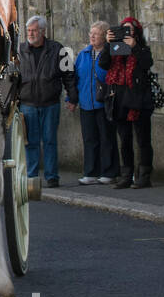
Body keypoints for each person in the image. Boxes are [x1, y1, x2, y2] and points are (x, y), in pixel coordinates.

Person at [17, 15, 76, 187]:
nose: (31, 34)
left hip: (50, 103)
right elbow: (13, 78)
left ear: (43, 31)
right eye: (28, 30)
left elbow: (69, 74)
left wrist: (72, 97)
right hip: (28, 104)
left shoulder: (58, 49)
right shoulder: (19, 50)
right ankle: (32, 176)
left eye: (34, 30)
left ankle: (52, 176)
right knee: (31, 142)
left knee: (50, 140)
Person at [99, 16, 155, 189]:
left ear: (136, 32)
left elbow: (147, 64)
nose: (127, 32)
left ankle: (144, 176)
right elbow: (103, 63)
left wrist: (134, 47)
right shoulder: (116, 48)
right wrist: (108, 44)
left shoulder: (142, 48)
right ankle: (126, 175)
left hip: (139, 101)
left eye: (130, 29)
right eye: (124, 29)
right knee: (124, 140)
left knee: (143, 139)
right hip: (120, 99)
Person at [69, 20, 118, 185]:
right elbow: (76, 78)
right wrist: (72, 99)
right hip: (86, 102)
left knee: (106, 138)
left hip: (104, 102)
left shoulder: (111, 52)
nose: (92, 36)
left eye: (96, 34)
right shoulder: (83, 54)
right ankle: (91, 171)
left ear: (104, 36)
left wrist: (113, 44)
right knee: (89, 139)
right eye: (91, 33)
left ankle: (109, 171)